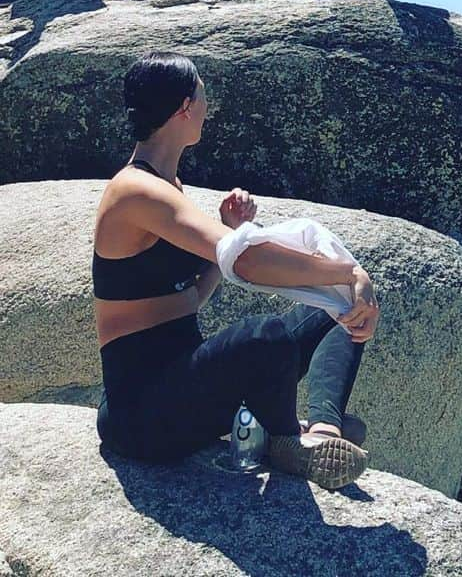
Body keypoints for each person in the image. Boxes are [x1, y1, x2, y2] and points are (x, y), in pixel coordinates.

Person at [94, 51, 379, 489]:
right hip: (141, 417)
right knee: (265, 335)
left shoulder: (170, 187)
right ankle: (284, 440)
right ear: (186, 107)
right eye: (204, 98)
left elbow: (191, 299)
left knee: (335, 310)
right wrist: (347, 273)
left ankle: (323, 429)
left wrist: (234, 231)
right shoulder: (135, 191)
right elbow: (244, 261)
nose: (208, 110)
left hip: (186, 389)